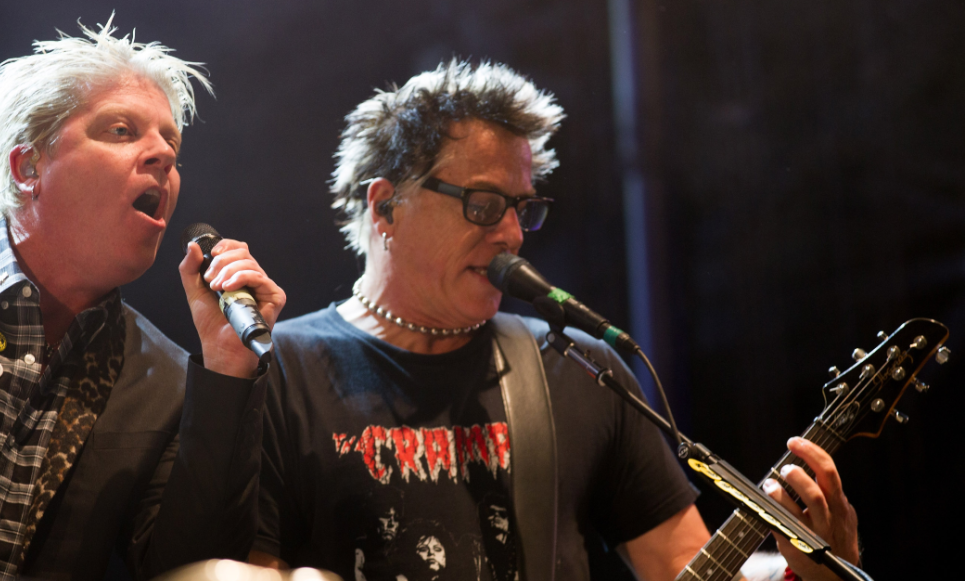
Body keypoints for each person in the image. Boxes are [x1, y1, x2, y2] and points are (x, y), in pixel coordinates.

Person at [247, 59, 859, 581]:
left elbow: (681, 564)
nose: (512, 234)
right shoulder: (278, 371)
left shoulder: (581, 371)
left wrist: (818, 571)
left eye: (522, 208)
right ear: (386, 206)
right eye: (484, 205)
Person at [0, 17, 285, 580]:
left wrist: (228, 370)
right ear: (28, 167)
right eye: (122, 130)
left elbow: (193, 569)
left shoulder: (168, 384)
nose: (163, 154)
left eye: (172, 144)